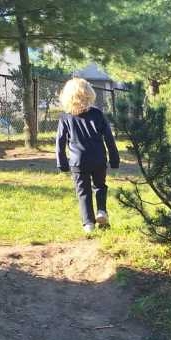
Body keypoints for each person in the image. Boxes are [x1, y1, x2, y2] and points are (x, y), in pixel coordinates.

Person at [55, 78, 120, 234]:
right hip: (98, 158)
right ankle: (102, 211)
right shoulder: (97, 114)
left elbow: (60, 142)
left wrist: (62, 163)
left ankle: (88, 224)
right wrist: (114, 158)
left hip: (78, 161)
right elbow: (109, 137)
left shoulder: (65, 117)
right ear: (89, 93)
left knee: (83, 191)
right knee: (100, 186)